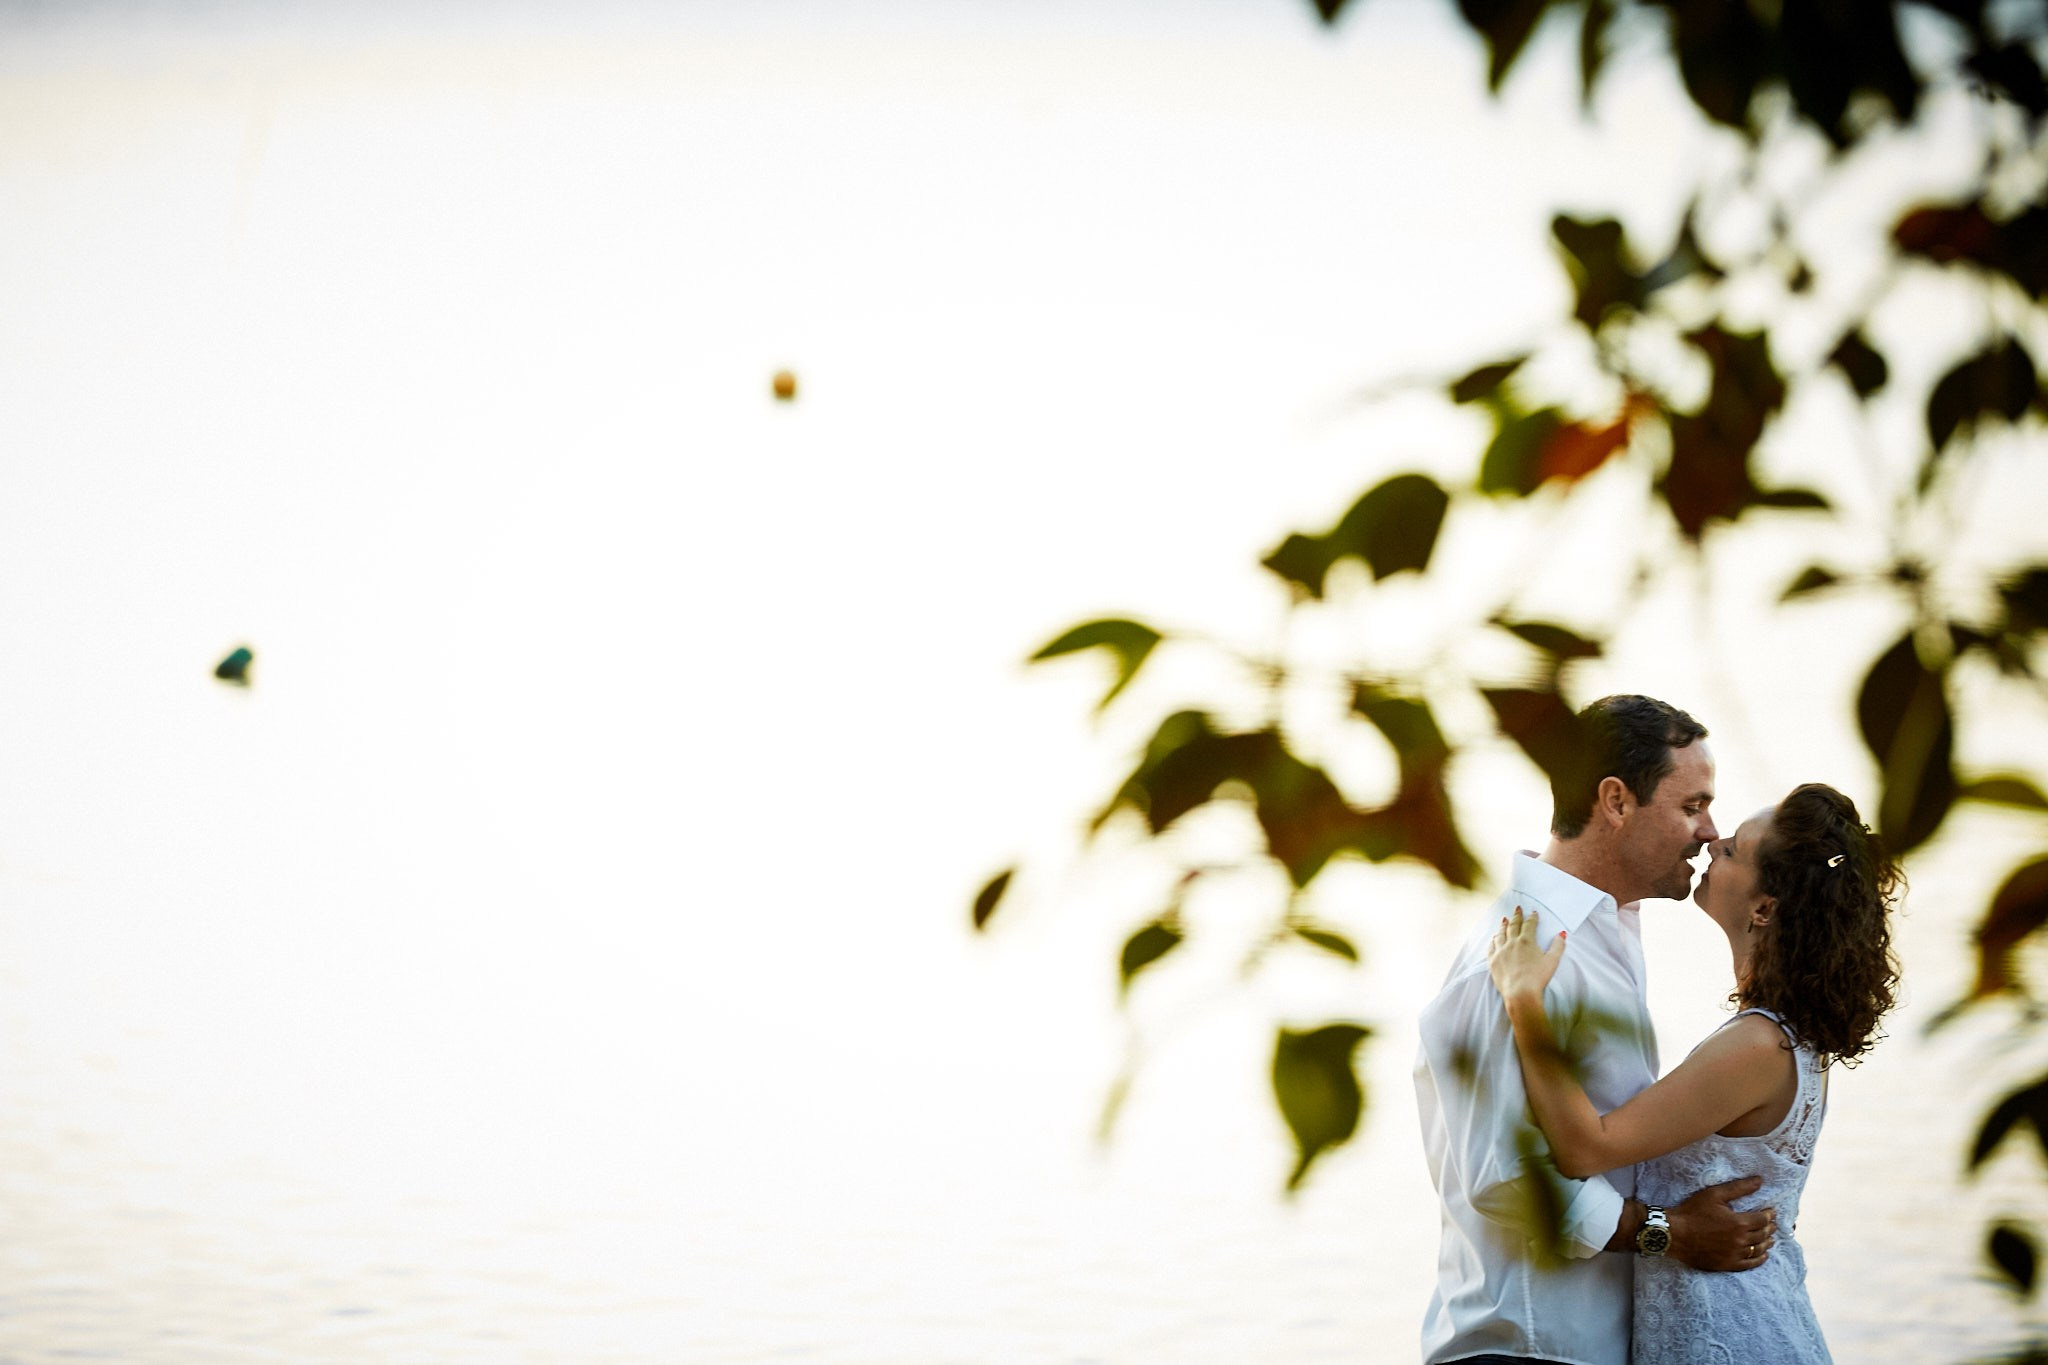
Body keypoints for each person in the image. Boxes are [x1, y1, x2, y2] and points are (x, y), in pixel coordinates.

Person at [1415, 694, 1775, 1365]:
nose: (1709, 830)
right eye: (1692, 805)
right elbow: (1504, 1175)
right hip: (1528, 1346)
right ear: (1616, 801)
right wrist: (1671, 1232)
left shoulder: (1609, 934)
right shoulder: (1520, 949)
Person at [1489, 782, 1899, 1364]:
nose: (1711, 843)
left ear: (1764, 909)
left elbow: (1585, 1148)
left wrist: (1524, 1003)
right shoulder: (1789, 1036)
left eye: (1733, 850)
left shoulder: (1758, 1046)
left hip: (1725, 1330)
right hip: (1751, 1310)